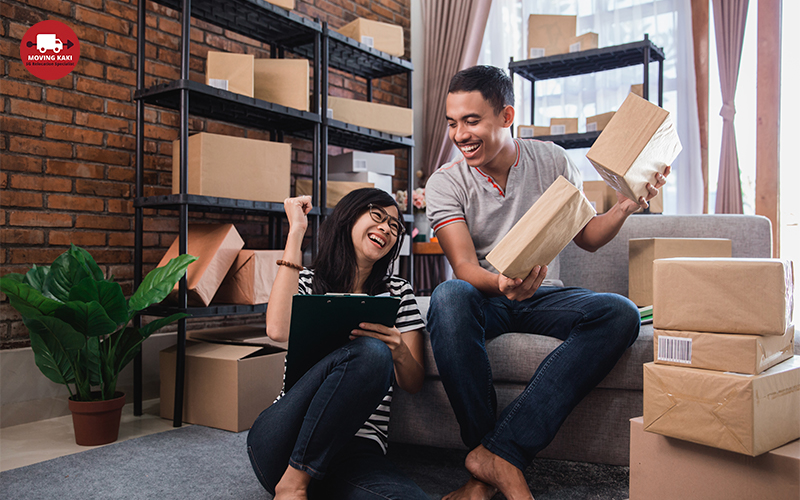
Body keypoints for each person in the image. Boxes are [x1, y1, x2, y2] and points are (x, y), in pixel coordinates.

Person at [425, 65, 669, 500]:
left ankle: (496, 457)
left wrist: (624, 207)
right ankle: (491, 454)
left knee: (619, 313)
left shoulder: (552, 160)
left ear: (506, 116)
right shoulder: (445, 182)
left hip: (544, 295)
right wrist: (500, 284)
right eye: (452, 123)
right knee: (447, 296)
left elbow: (588, 236)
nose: (460, 135)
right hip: (486, 295)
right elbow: (464, 267)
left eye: (472, 120)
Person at [246, 188, 428, 500]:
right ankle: (294, 482)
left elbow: (412, 383)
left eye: (394, 225)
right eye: (378, 216)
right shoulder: (307, 282)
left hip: (356, 446)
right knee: (371, 353)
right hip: (286, 437)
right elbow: (277, 329)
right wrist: (296, 232)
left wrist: (398, 350)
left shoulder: (399, 292)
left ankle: (311, 483)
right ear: (348, 217)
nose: (386, 228)